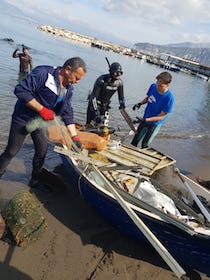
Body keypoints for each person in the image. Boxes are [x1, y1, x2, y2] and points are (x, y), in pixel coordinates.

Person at [0, 57, 86, 191]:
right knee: (11, 151)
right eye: (77, 77)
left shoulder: (68, 90)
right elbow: (21, 91)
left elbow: (67, 113)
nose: (78, 82)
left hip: (39, 122)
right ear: (68, 70)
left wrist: (74, 137)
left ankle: (34, 181)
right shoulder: (44, 74)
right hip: (22, 118)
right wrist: (42, 109)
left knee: (42, 151)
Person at [131, 71, 174, 149]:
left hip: (155, 123)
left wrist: (146, 120)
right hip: (145, 118)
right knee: (135, 141)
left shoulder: (169, 98)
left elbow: (161, 116)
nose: (157, 87)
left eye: (160, 86)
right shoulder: (153, 86)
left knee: (144, 144)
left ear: (167, 85)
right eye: (157, 83)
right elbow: (149, 98)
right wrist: (139, 103)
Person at [86, 62, 125, 127]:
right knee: (90, 124)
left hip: (105, 106)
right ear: (111, 72)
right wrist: (96, 111)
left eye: (120, 73)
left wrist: (122, 104)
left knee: (103, 126)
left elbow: (121, 97)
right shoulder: (101, 80)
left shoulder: (119, 83)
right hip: (94, 104)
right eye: (116, 72)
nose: (118, 75)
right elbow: (93, 98)